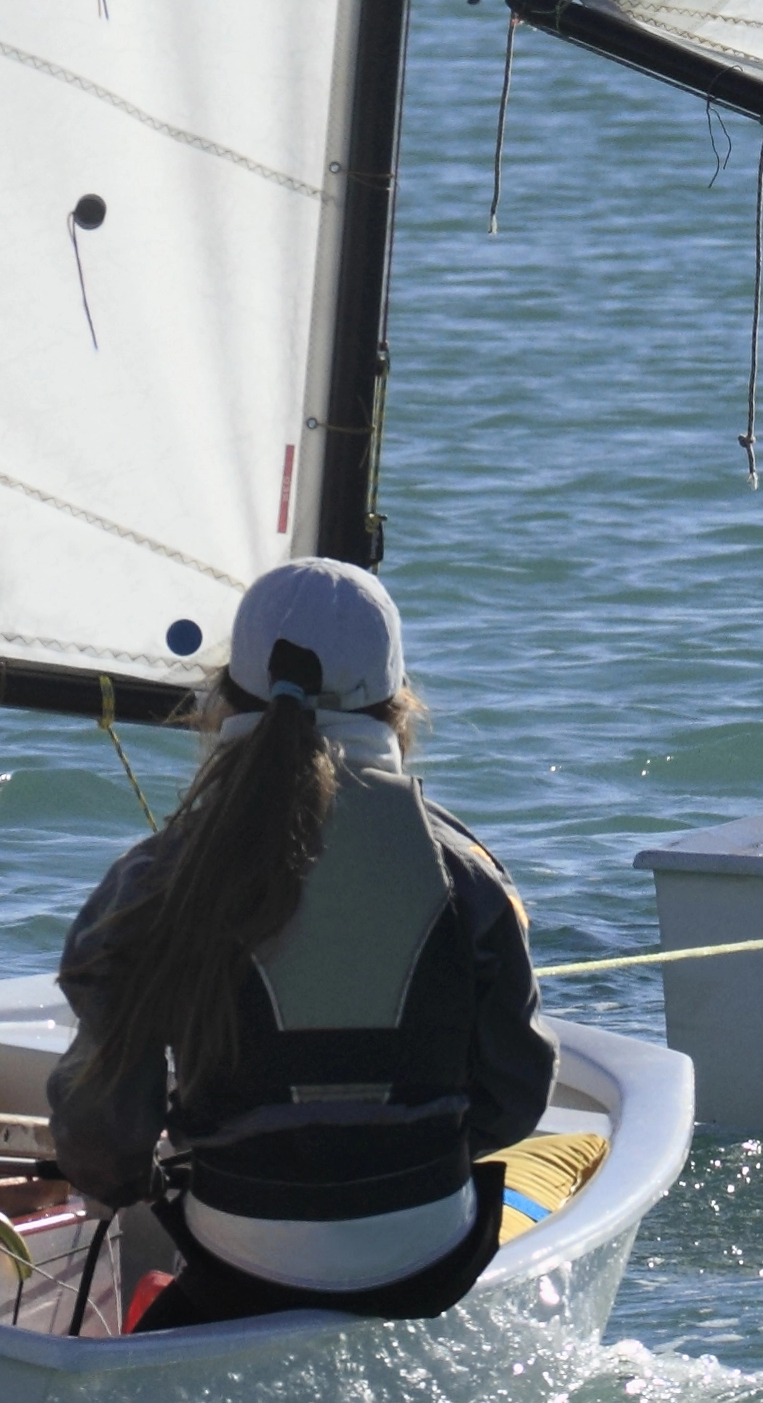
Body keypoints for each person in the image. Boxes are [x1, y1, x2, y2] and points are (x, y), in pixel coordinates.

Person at [51, 561, 553, 1329]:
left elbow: (102, 1128)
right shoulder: (463, 868)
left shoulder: (155, 876)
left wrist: (131, 1180)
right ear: (397, 703)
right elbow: (514, 1098)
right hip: (427, 1254)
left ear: (226, 696)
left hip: (236, 1253)